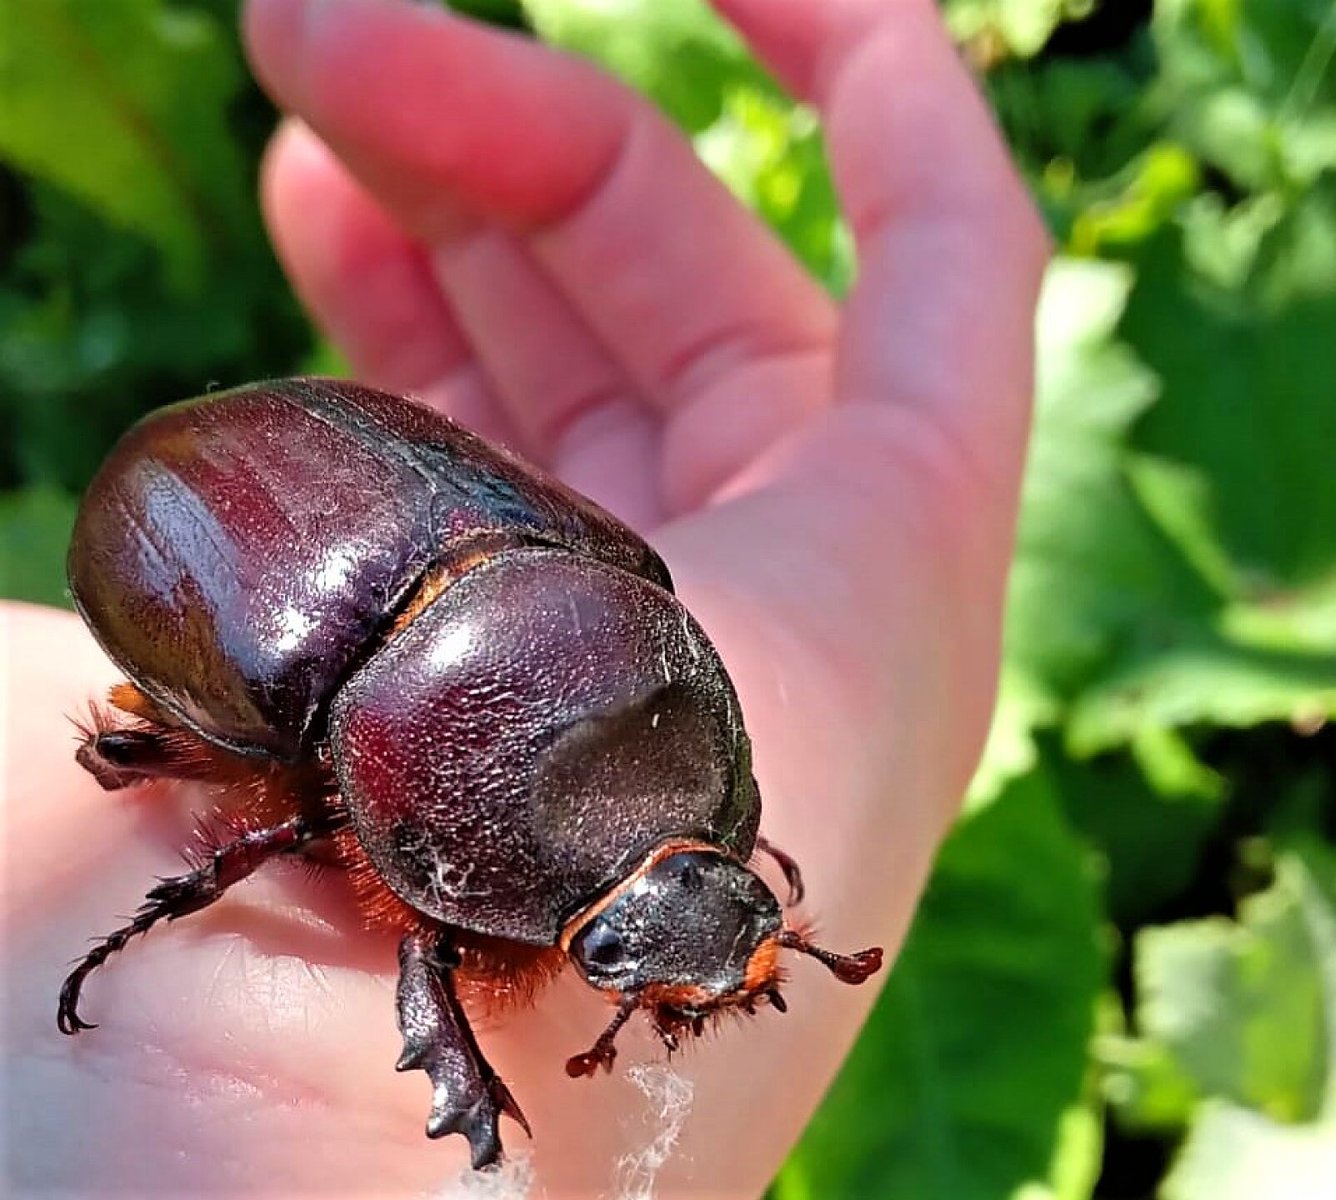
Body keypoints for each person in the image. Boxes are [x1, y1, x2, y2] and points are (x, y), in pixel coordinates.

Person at [0, 0, 1047, 1192]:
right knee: (171, 763)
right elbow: (420, 944)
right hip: (208, 532)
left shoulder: (622, 598)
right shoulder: (427, 708)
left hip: (421, 553)